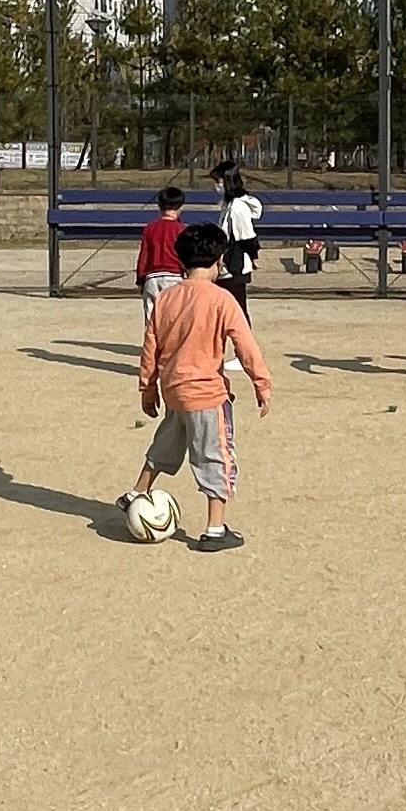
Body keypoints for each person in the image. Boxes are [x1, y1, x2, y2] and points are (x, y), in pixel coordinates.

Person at [127, 224, 272, 551]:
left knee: (167, 443)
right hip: (208, 394)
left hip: (174, 392)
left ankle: (136, 492)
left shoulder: (166, 298)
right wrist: (261, 383)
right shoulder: (223, 299)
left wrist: (148, 391)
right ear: (219, 260)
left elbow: (151, 347)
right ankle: (215, 530)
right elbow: (246, 346)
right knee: (216, 456)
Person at [212, 161, 264, 318]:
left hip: (234, 265)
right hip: (226, 265)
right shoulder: (228, 205)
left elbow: (247, 237)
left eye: (219, 181)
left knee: (238, 311)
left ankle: (244, 341)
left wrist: (254, 257)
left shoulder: (238, 207)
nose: (217, 186)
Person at [133, 186, 190, 328]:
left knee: (151, 319)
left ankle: (151, 348)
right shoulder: (181, 230)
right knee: (173, 318)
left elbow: (143, 256)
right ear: (181, 207)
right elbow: (185, 257)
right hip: (174, 277)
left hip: (152, 277)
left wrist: (140, 279)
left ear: (159, 206)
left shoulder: (150, 228)